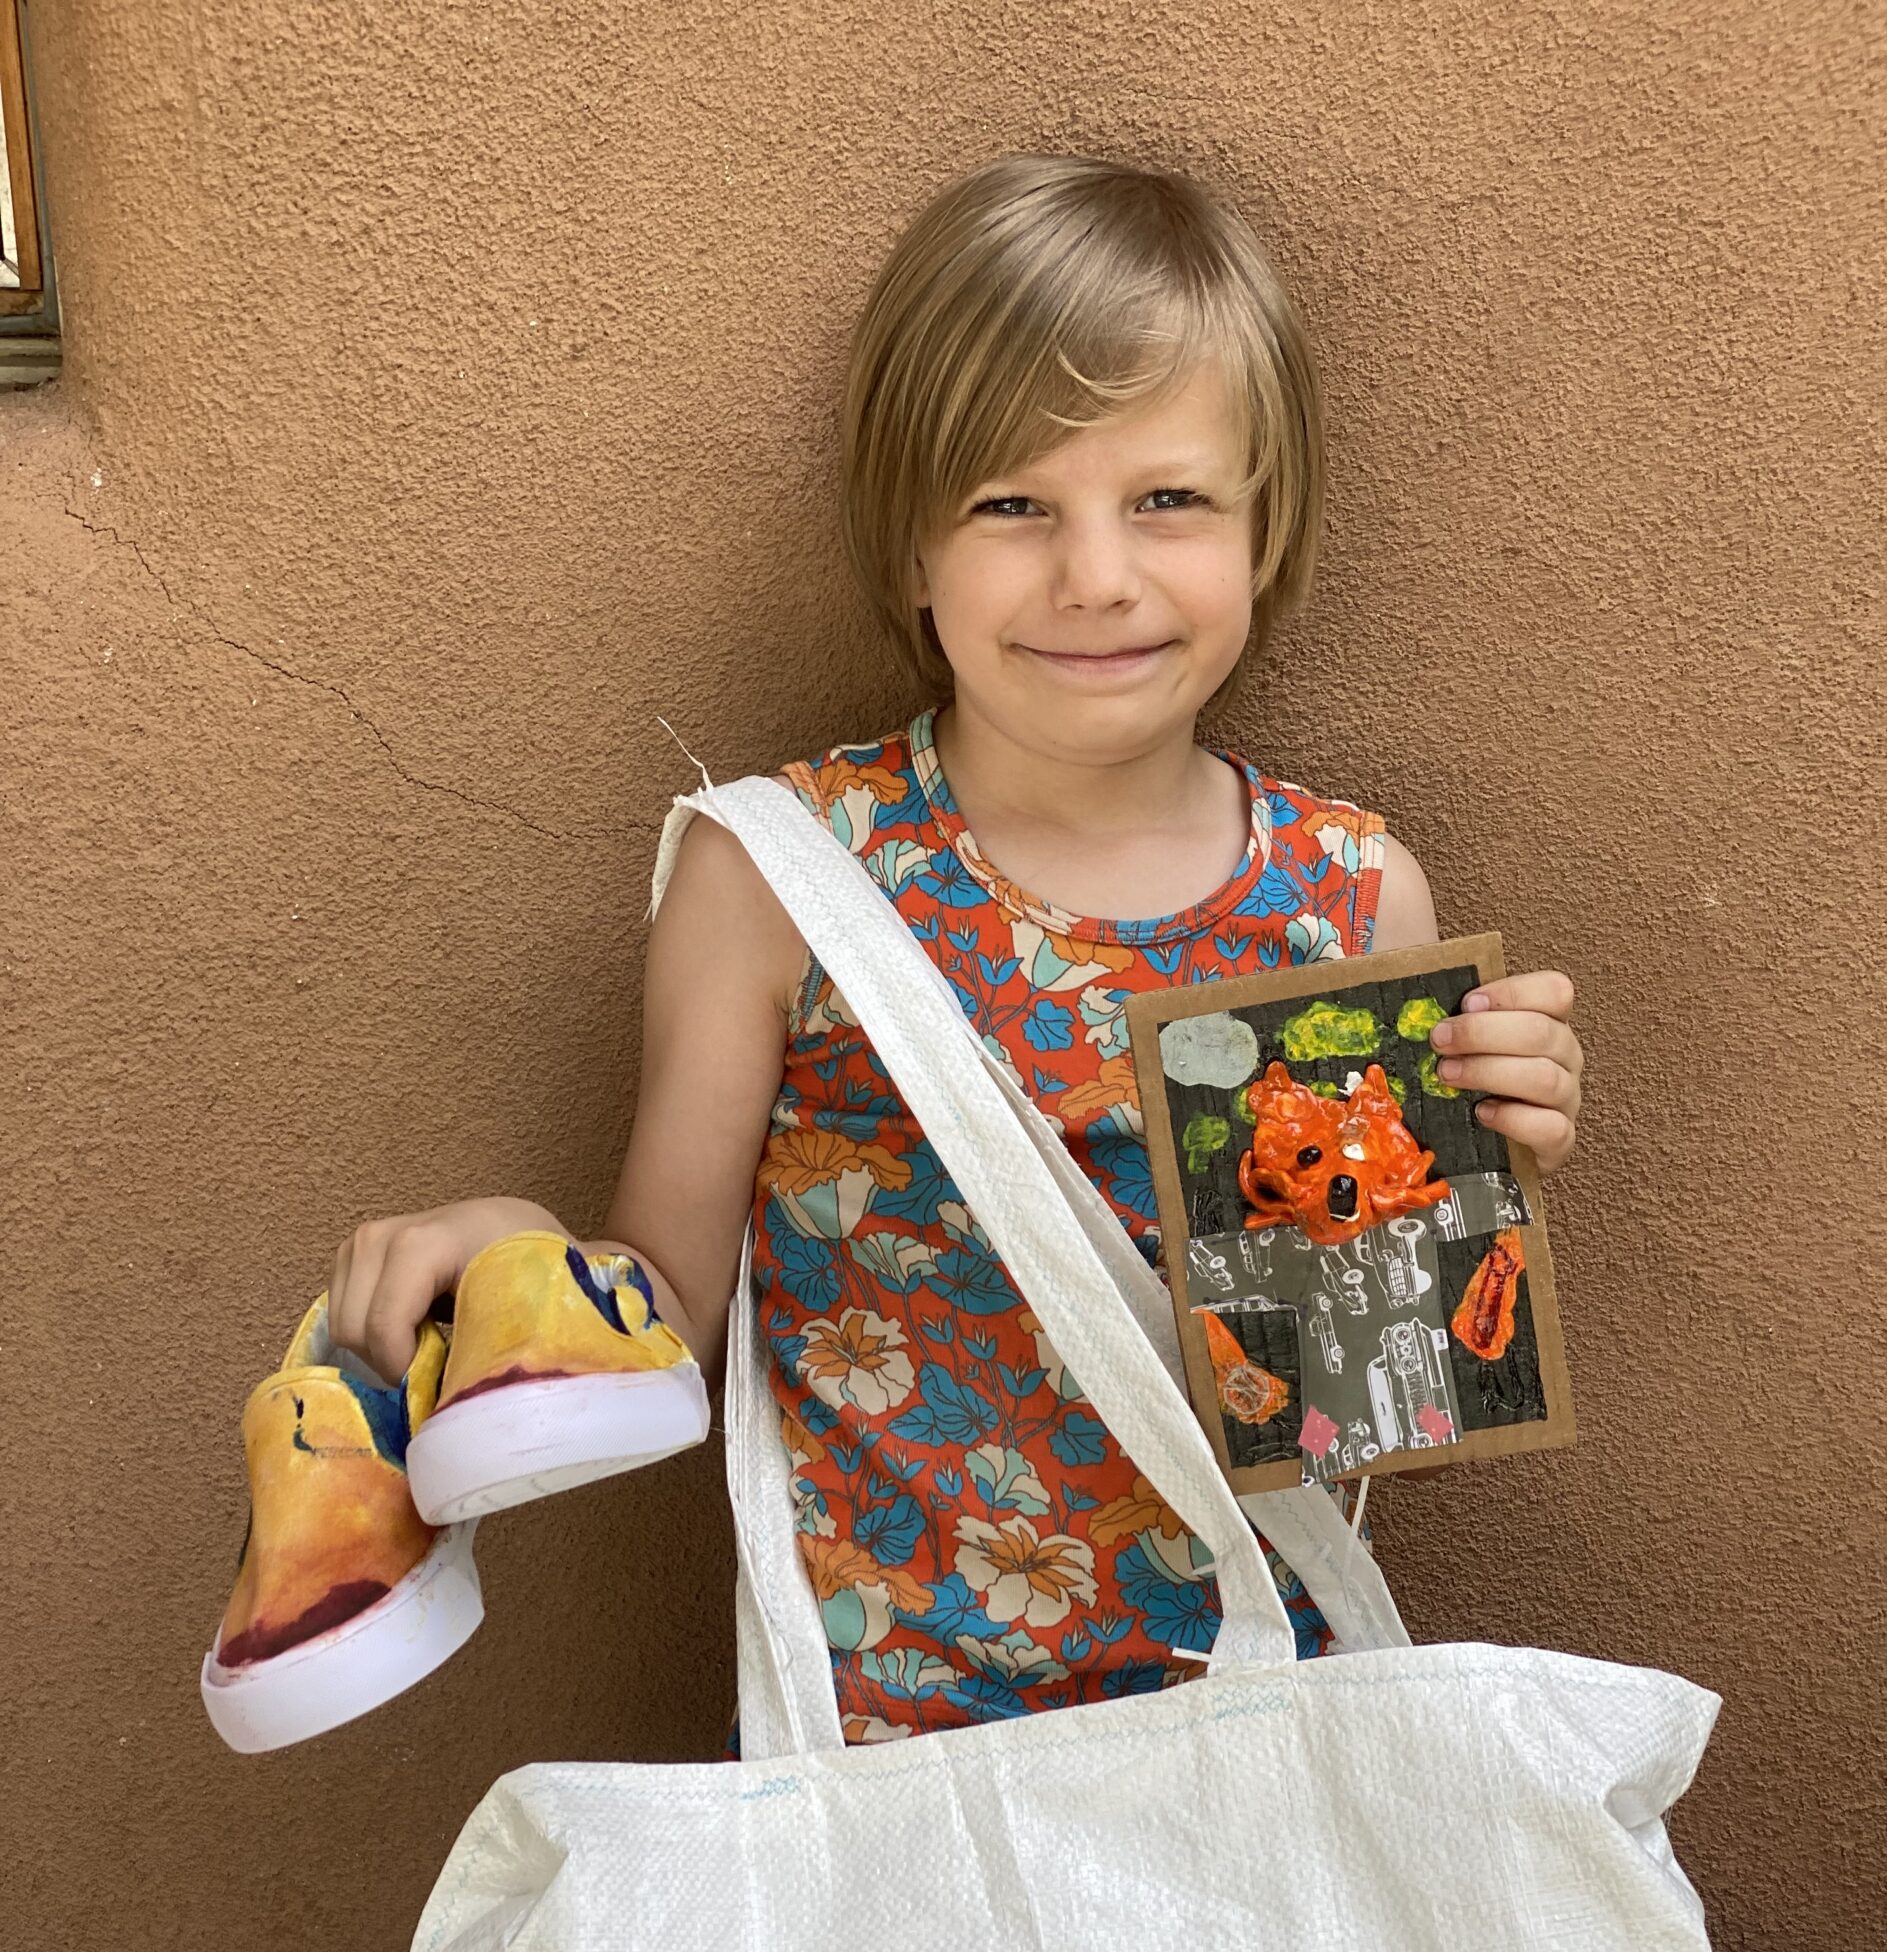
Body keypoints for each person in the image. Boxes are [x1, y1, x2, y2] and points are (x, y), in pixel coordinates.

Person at [324, 152, 1583, 1744]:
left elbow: (1357, 1410)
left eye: (1169, 500)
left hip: (1261, 1749)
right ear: (912, 549)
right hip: (891, 1769)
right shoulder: (781, 878)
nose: (1097, 576)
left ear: (1268, 530)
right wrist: (512, 1261)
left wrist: (1483, 1155)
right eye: (1011, 506)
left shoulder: (1352, 901)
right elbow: (663, 1328)